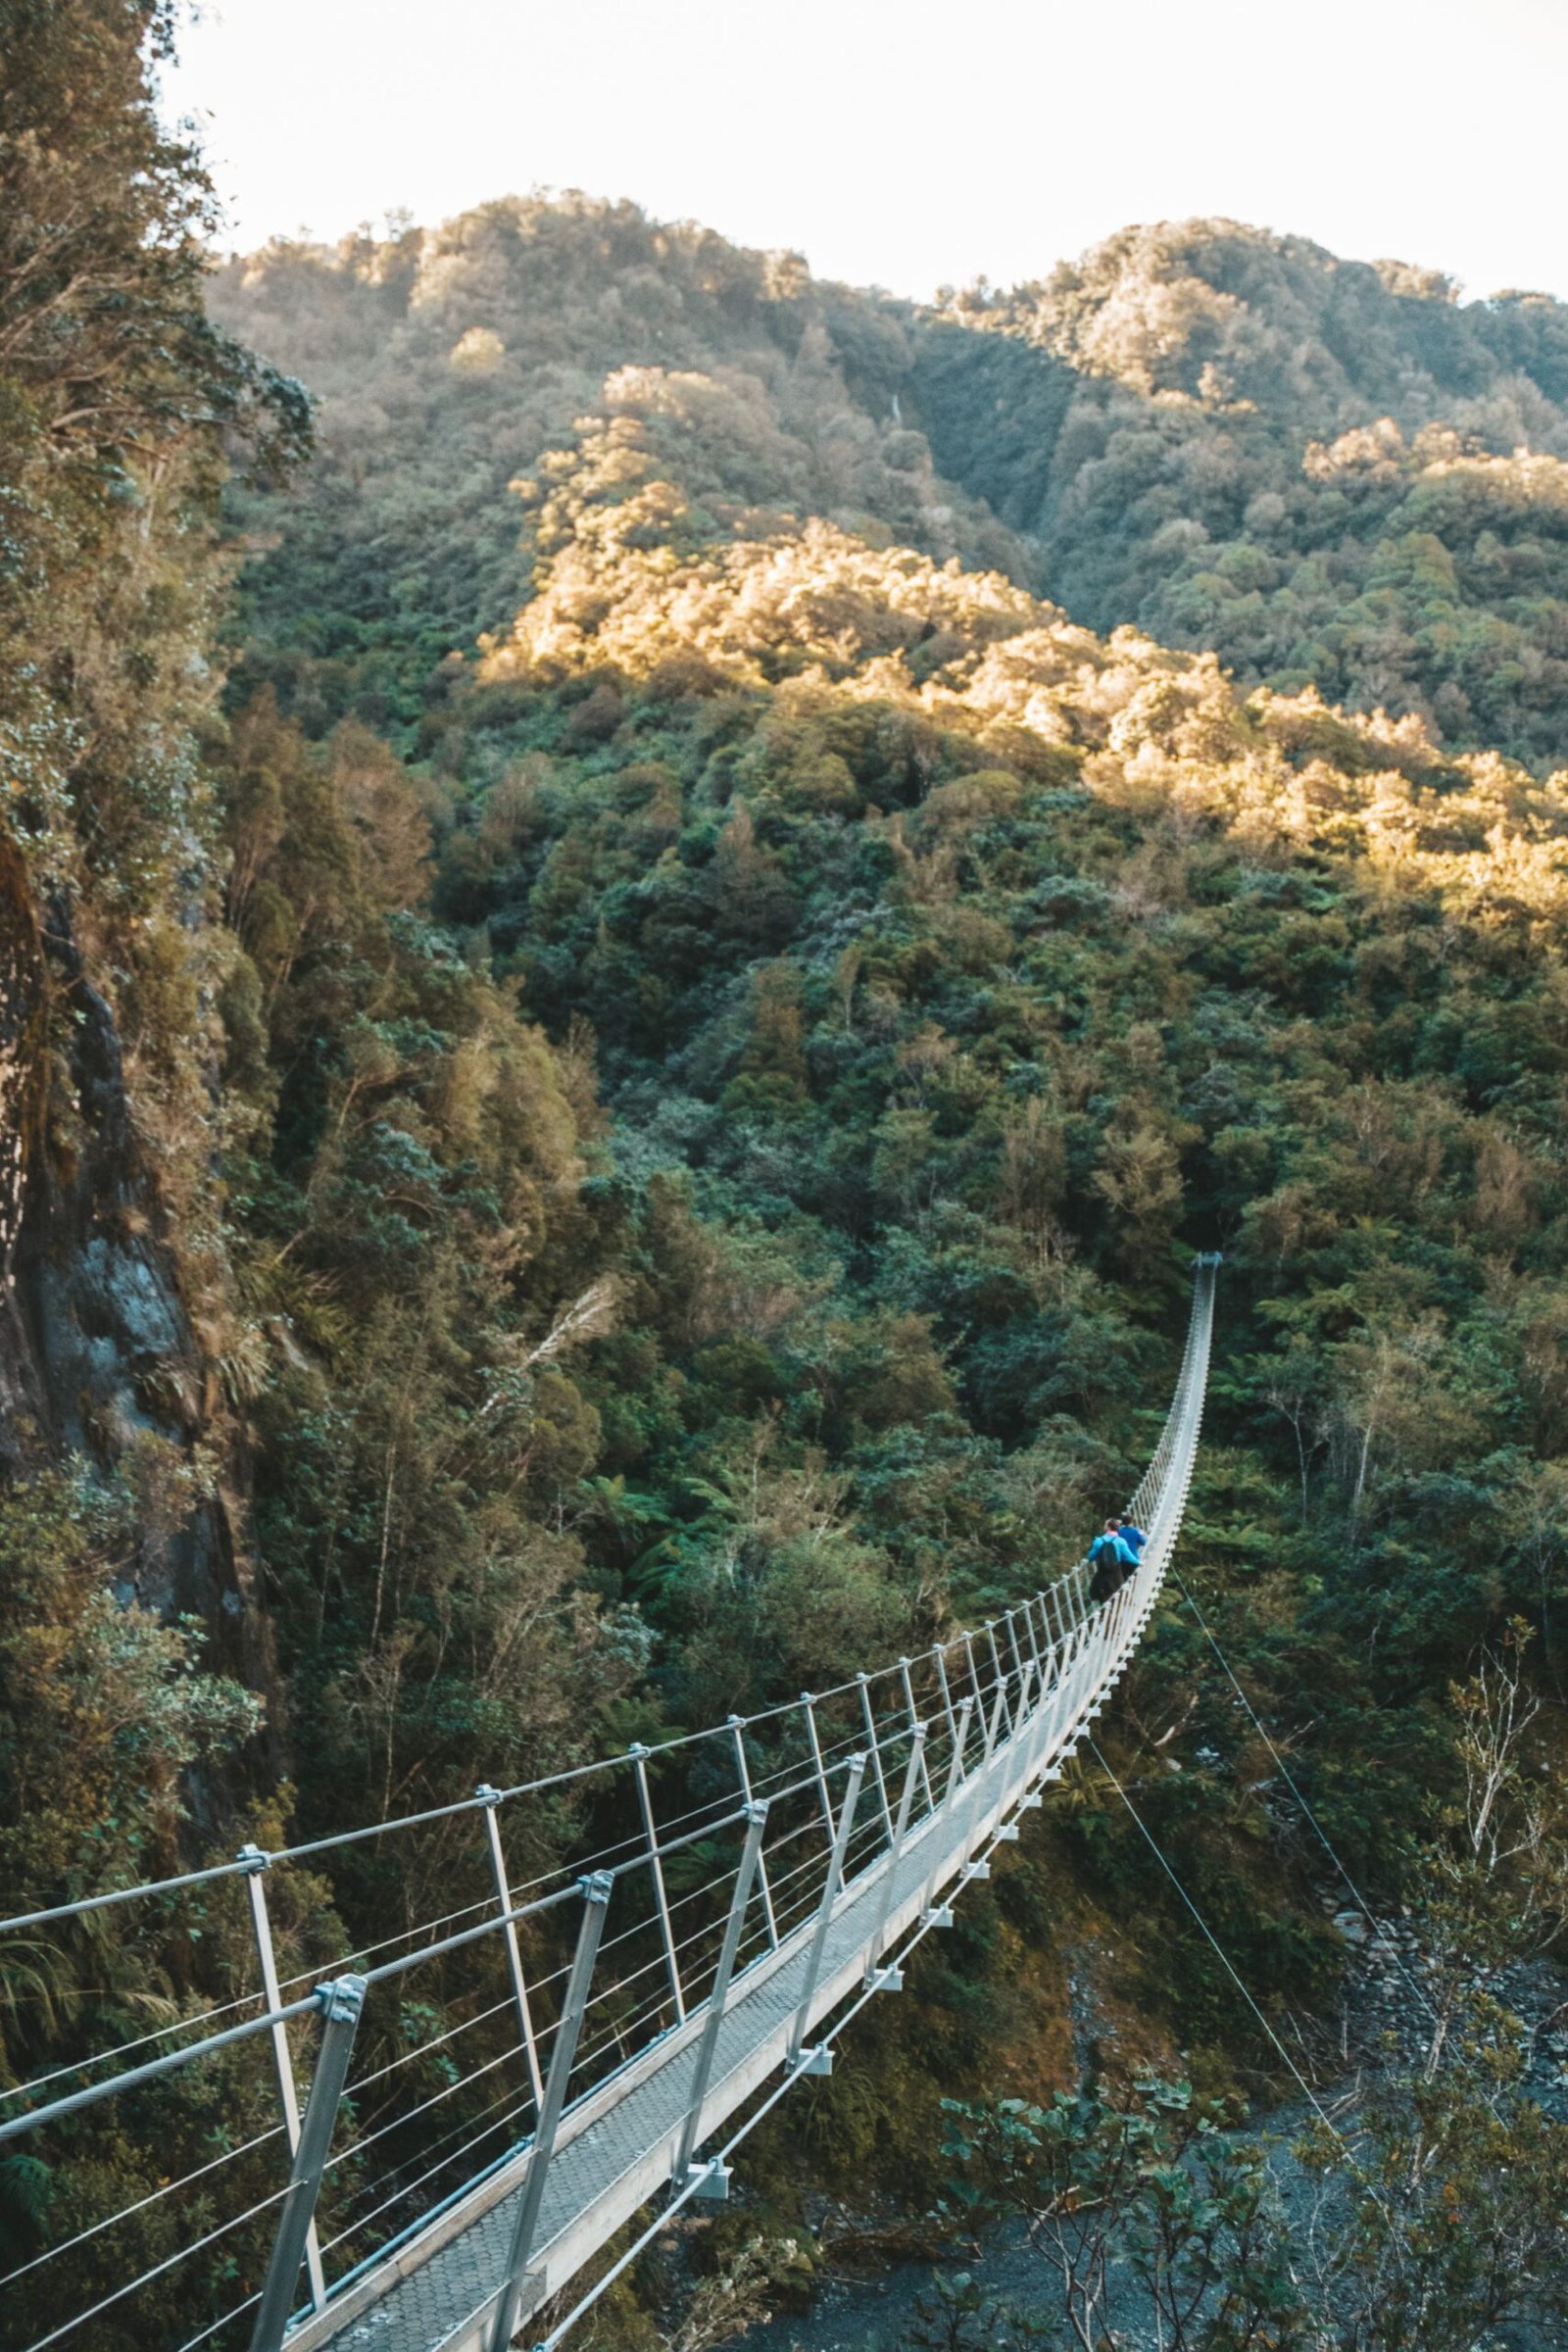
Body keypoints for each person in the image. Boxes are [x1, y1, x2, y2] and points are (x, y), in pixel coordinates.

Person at [1088, 1518, 1137, 1602]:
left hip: (1102, 1573)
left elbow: (1090, 1557)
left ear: (1109, 1527)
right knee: (1118, 1594)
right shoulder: (1121, 1541)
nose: (1104, 1526)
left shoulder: (1098, 1541)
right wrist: (1139, 1563)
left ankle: (1104, 1612)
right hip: (1116, 1574)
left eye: (1105, 1524)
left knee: (1099, 1592)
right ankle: (1115, 1612)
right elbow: (1130, 1557)